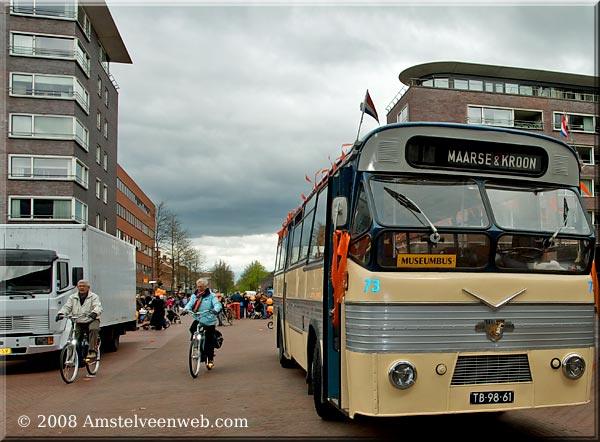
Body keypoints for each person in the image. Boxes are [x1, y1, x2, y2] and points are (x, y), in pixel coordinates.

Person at [55, 280, 103, 362]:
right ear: (77, 287)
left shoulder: (94, 297)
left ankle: (92, 351)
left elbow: (98, 306)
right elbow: (67, 307)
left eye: (83, 286)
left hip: (91, 320)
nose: (81, 288)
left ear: (88, 288)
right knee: (74, 337)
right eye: (80, 286)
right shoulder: (72, 297)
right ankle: (74, 354)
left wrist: (94, 313)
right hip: (78, 321)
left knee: (93, 329)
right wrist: (61, 313)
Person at [181, 278, 222, 369]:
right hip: (199, 318)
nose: (199, 288)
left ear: (205, 287)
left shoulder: (212, 296)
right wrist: (185, 310)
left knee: (209, 339)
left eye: (201, 287)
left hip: (209, 319)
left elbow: (217, 304)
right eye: (198, 286)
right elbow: (190, 304)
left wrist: (216, 310)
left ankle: (210, 358)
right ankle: (196, 345)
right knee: (192, 329)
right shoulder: (194, 295)